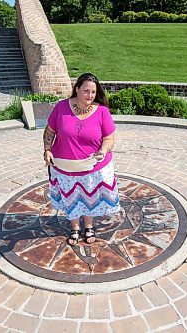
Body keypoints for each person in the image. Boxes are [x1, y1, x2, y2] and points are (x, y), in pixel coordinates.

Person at [43, 73, 120, 246]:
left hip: (92, 166)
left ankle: (89, 226)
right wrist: (47, 150)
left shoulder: (102, 111)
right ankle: (75, 227)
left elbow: (109, 138)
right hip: (65, 167)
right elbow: (49, 132)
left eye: (93, 92)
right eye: (86, 91)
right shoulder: (61, 108)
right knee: (71, 198)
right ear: (77, 89)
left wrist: (103, 149)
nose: (90, 96)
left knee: (89, 196)